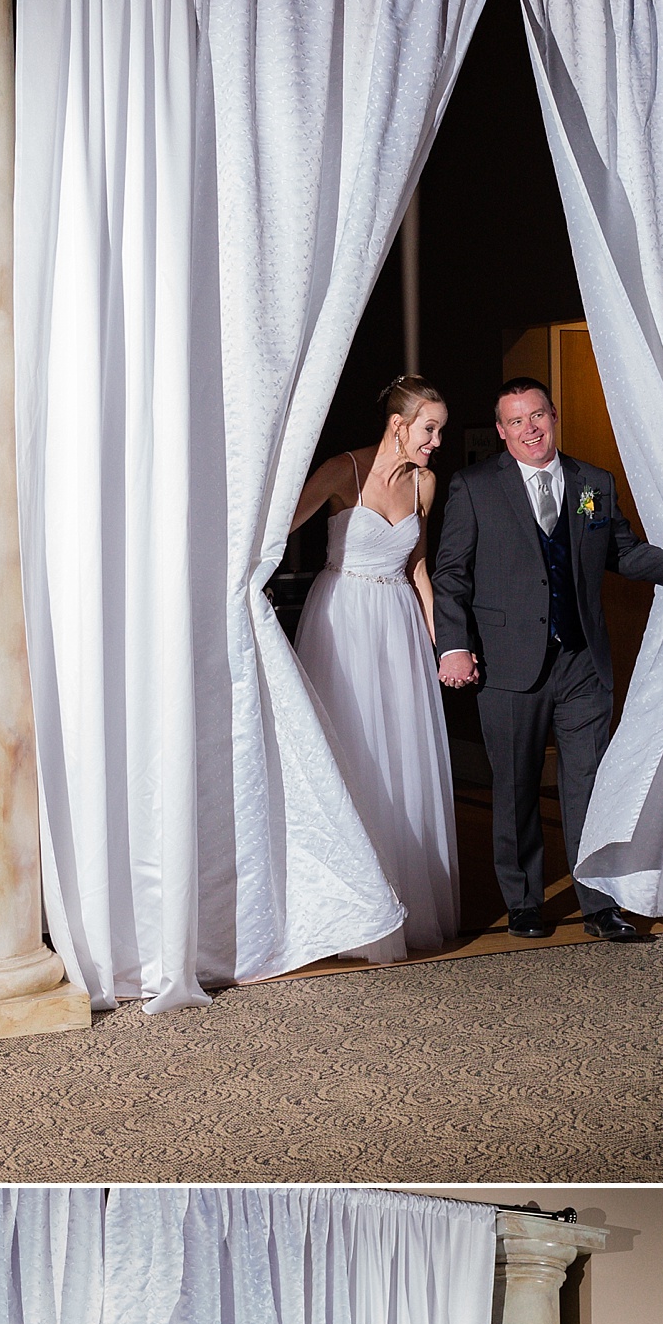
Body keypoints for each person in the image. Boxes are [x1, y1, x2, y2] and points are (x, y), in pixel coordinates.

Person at [429, 376, 663, 942]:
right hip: (506, 665)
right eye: (517, 421)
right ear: (501, 432)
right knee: (516, 787)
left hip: (581, 665)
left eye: (538, 416)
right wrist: (454, 645)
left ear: (554, 417)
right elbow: (451, 574)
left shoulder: (592, 483)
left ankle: (599, 902)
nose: (530, 429)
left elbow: (623, 553)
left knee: (589, 786)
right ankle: (524, 901)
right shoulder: (474, 487)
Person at [290, 379, 461, 957]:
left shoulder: (426, 484)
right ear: (398, 425)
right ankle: (345, 907)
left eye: (439, 429)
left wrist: (442, 640)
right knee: (349, 750)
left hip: (398, 625)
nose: (437, 441)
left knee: (400, 756)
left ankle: (400, 901)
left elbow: (417, 566)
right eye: (429, 428)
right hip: (343, 619)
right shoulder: (344, 472)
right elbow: (280, 526)